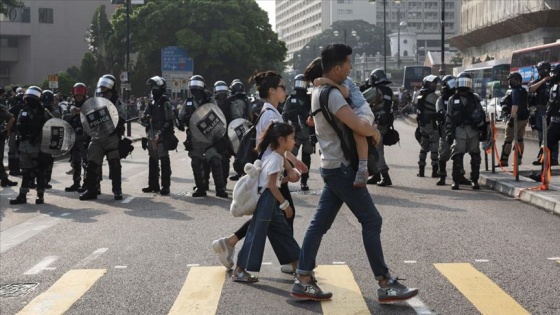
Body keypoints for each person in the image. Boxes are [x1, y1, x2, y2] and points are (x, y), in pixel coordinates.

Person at [290, 43, 418, 302]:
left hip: (331, 166)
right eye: (348, 64)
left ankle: (303, 277)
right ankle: (384, 283)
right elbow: (358, 124)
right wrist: (373, 130)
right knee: (372, 221)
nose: (350, 68)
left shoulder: (319, 90)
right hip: (342, 169)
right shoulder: (333, 95)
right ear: (337, 68)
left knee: (319, 224)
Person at [212, 71, 307, 273]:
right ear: (272, 90)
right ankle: (290, 262)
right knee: (274, 217)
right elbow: (276, 147)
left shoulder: (268, 111)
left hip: (270, 173)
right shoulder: (271, 114)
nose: (285, 90)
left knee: (271, 218)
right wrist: (290, 168)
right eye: (282, 87)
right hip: (271, 175)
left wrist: (295, 161)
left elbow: (278, 146)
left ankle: (231, 244)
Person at [231, 122, 300, 282]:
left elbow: (273, 182)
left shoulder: (273, 156)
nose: (294, 142)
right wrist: (284, 204)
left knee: (281, 232)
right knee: (256, 234)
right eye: (292, 138)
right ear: (282, 140)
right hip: (267, 201)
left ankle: (300, 267)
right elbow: (271, 185)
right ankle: (240, 270)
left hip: (268, 200)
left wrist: (288, 178)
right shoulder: (276, 159)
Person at [305, 58, 376, 187]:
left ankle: (363, 168)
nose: (316, 83)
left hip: (361, 109)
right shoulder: (324, 90)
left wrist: (373, 132)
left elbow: (345, 92)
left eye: (316, 79)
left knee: (358, 131)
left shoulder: (342, 81)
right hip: (352, 113)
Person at [179, 75, 228, 198]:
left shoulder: (210, 101)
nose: (195, 89)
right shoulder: (188, 102)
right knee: (196, 162)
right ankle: (200, 188)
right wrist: (182, 121)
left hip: (209, 138)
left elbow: (217, 117)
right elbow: (181, 116)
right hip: (195, 138)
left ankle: (220, 189)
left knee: (215, 161)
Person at [80, 74, 126, 200]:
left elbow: (122, 116)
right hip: (97, 135)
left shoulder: (116, 101)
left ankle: (117, 190)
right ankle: (92, 190)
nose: (103, 87)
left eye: (106, 85)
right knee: (92, 163)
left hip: (111, 136)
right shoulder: (96, 99)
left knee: (114, 163)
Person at [10, 87, 51, 204]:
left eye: (31, 99)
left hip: (38, 146)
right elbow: (18, 127)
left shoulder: (44, 113)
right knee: (26, 171)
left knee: (39, 170)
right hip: (24, 146)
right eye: (27, 99)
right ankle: (22, 195)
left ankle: (40, 195)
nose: (29, 101)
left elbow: (52, 126)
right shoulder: (23, 112)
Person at [445, 72, 486, 190]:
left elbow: (481, 115)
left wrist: (483, 130)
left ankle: (474, 180)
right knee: (457, 156)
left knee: (475, 156)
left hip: (473, 130)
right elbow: (449, 117)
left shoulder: (475, 98)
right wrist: (448, 132)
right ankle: (456, 180)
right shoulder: (452, 99)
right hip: (459, 130)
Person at [140, 76, 175, 195]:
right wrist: (145, 119)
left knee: (164, 160)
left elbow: (169, 121)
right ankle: (153, 184)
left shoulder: (166, 103)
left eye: (155, 87)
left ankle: (166, 186)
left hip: (162, 135)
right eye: (152, 87)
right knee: (152, 159)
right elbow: (143, 118)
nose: (153, 89)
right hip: (151, 134)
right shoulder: (151, 103)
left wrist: (161, 133)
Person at [282, 74, 317, 190]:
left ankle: (304, 181)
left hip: (307, 132)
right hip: (295, 133)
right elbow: (284, 115)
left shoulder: (310, 99)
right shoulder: (290, 99)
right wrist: (290, 118)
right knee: (291, 157)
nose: (301, 86)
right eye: (299, 83)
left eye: (303, 83)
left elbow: (316, 114)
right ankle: (285, 179)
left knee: (306, 158)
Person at [530, 64, 560, 182]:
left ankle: (544, 173)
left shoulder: (554, 87)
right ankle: (543, 174)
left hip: (555, 121)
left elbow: (552, 105)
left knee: (546, 144)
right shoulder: (553, 87)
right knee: (545, 145)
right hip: (554, 121)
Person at [367, 68, 394, 186]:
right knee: (373, 150)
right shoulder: (388, 90)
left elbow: (360, 98)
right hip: (385, 124)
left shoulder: (375, 90)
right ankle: (376, 175)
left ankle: (385, 176)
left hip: (376, 124)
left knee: (377, 150)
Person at [499, 72, 529, 166]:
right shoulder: (524, 90)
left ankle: (503, 161)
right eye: (509, 81)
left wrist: (511, 118)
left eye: (512, 80)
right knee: (520, 139)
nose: (510, 82)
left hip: (516, 118)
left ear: (518, 81)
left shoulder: (515, 91)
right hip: (524, 119)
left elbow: (515, 106)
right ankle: (518, 160)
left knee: (508, 140)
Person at [64, 83, 89, 192]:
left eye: (80, 95)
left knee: (86, 162)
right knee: (75, 161)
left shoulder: (89, 105)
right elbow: (64, 120)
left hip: (85, 137)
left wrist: (82, 113)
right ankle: (76, 182)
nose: (79, 97)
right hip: (73, 137)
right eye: (77, 95)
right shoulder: (70, 106)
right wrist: (72, 114)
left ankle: (87, 184)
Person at [416, 75, 442, 178]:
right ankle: (435, 170)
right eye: (432, 84)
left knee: (423, 147)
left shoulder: (420, 95)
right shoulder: (433, 96)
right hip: (431, 124)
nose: (434, 85)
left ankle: (421, 170)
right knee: (434, 146)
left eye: (435, 84)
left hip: (422, 125)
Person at [0, 87, 18, 187]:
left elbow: (11, 118)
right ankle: (4, 178)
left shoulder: (1, 107)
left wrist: (6, 130)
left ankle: (4, 179)